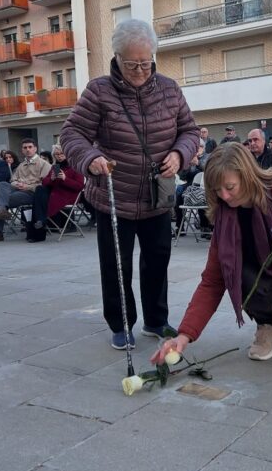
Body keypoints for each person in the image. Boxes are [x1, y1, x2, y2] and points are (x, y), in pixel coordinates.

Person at [60, 18, 199, 350]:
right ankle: (122, 323)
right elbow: (71, 134)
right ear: (117, 57)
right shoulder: (99, 91)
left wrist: (180, 154)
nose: (139, 71)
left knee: (158, 260)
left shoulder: (169, 89)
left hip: (158, 194)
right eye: (131, 63)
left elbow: (190, 131)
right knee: (116, 265)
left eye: (145, 63)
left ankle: (156, 319)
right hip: (113, 195)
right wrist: (90, 157)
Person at [149, 143, 272, 363]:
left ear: (247, 175)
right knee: (237, 276)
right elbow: (211, 281)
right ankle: (267, 325)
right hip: (266, 274)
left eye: (230, 187)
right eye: (217, 190)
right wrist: (185, 335)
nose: (224, 196)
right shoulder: (225, 217)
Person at [0, 138, 52, 243]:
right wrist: (16, 184)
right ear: (22, 150)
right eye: (25, 148)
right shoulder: (21, 165)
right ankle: (2, 211)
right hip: (18, 190)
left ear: (35, 148)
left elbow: (44, 185)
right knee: (3, 184)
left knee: (0, 199)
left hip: (33, 194)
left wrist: (26, 186)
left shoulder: (44, 164)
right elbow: (12, 180)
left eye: (30, 147)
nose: (27, 149)